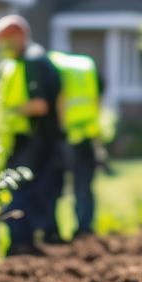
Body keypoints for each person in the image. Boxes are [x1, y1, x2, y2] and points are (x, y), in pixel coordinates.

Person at [0, 14, 61, 256]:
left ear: (20, 36)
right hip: (29, 138)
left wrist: (8, 111)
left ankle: (20, 242)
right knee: (29, 188)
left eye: (7, 41)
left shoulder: (33, 61)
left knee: (19, 187)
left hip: (36, 138)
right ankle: (24, 241)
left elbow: (40, 105)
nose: (3, 48)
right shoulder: (24, 61)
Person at [45, 50, 104, 241]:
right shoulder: (85, 67)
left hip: (65, 134)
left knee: (54, 185)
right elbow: (97, 98)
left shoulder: (53, 67)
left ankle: (52, 232)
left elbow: (60, 98)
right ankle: (85, 228)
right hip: (86, 132)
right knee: (83, 184)